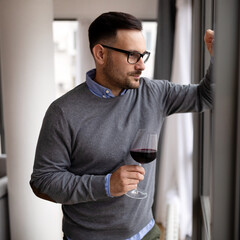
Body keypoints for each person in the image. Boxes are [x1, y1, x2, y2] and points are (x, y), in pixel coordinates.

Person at [30, 11, 214, 240]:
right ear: (100, 54)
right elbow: (42, 182)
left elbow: (205, 97)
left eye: (143, 55)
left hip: (147, 233)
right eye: (132, 56)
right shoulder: (63, 112)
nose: (141, 66)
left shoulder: (155, 93)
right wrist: (106, 185)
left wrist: (218, 60)